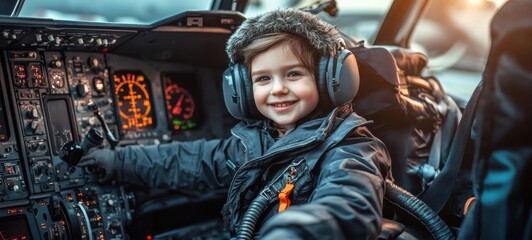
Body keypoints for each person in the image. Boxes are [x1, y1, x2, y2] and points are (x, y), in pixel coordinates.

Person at [79, 8, 392, 239]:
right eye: (263, 79)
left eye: (294, 74)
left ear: (329, 80)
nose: (278, 88)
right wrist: (117, 161)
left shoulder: (352, 148)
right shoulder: (258, 142)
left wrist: (295, 232)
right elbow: (191, 161)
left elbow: (349, 205)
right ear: (242, 89)